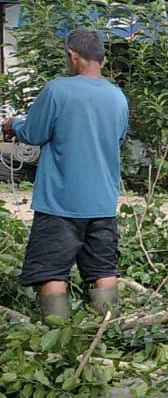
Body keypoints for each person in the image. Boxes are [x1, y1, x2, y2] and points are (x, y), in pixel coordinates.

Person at [2, 29, 128, 320]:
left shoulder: (58, 90)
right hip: (103, 202)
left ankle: (58, 339)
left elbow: (34, 132)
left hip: (61, 202)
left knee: (51, 271)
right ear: (103, 60)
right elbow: (117, 139)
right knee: (104, 269)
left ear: (73, 57)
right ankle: (107, 331)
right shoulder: (118, 97)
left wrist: (14, 125)